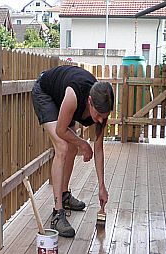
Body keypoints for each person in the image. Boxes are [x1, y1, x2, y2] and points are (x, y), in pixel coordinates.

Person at [32, 65, 115, 237]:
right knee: (62, 146)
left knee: (71, 145)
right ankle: (57, 212)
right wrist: (83, 144)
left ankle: (64, 195)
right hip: (45, 93)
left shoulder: (101, 104)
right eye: (98, 114)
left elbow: (98, 149)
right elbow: (62, 131)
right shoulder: (73, 95)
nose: (100, 120)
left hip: (62, 95)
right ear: (90, 102)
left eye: (104, 116)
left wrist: (101, 186)